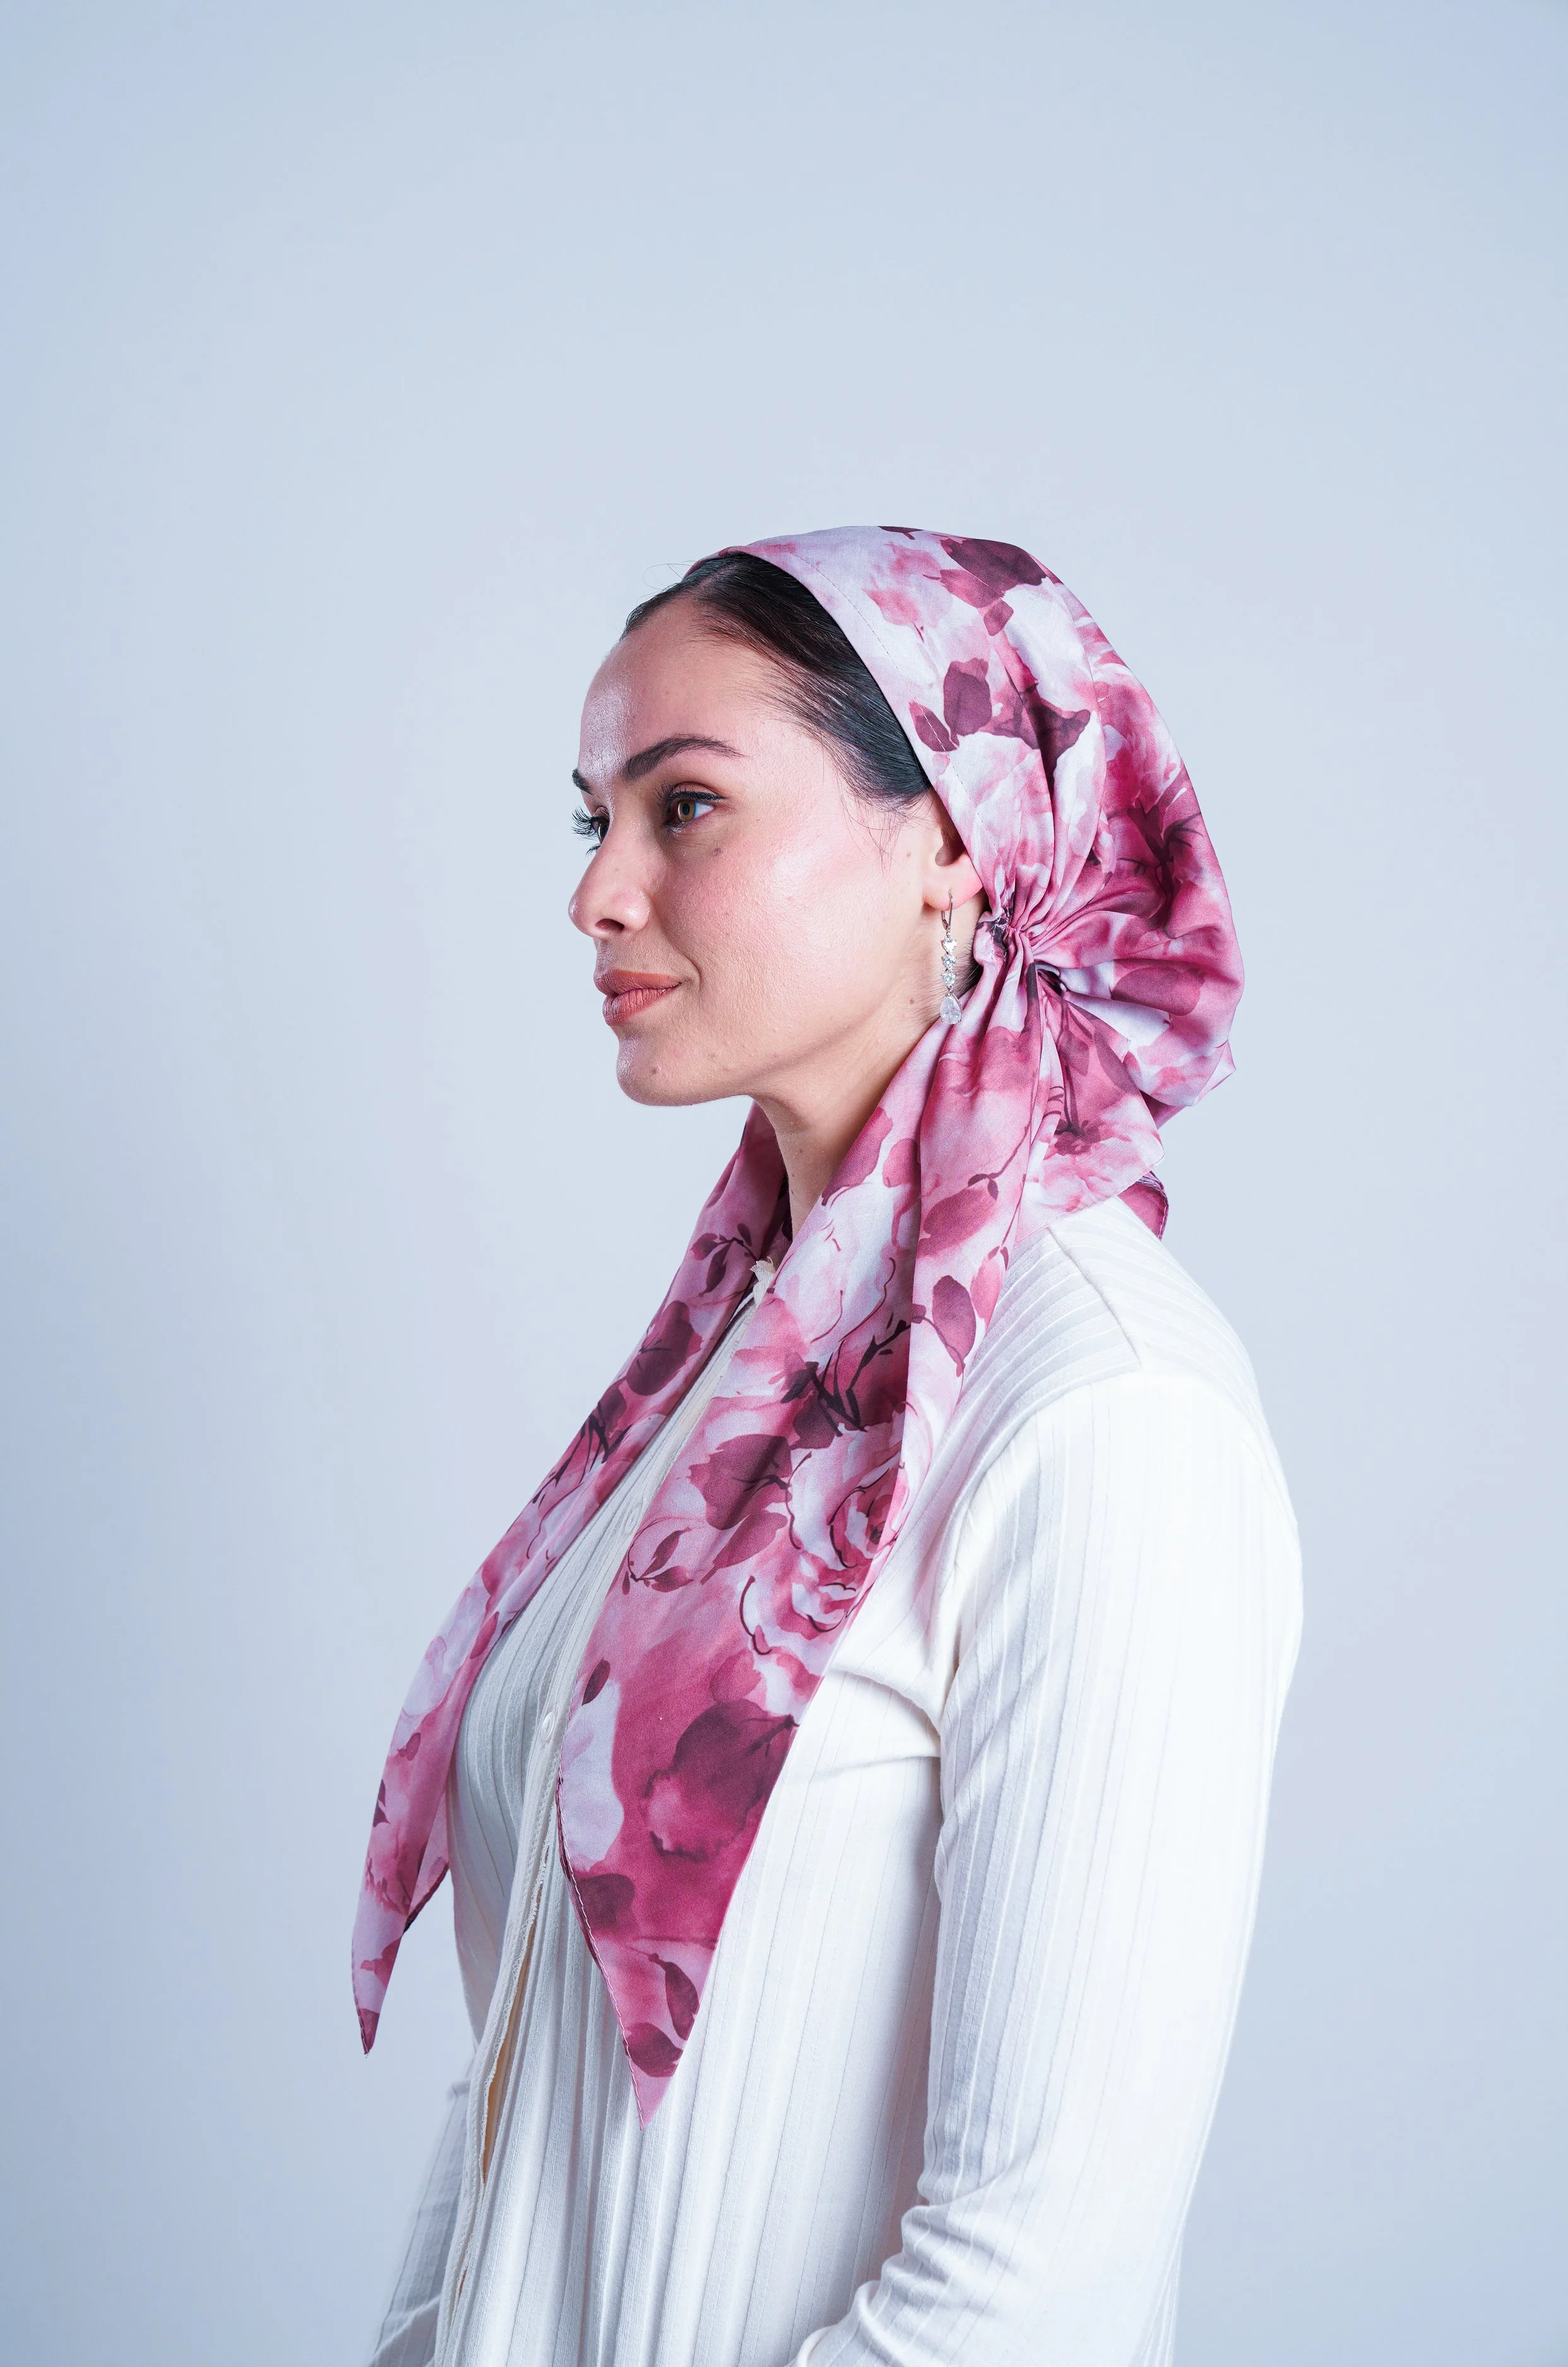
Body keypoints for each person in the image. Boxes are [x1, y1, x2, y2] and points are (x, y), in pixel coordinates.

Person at [356, 526, 1302, 2367]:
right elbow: (535, 2078)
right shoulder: (715, 1393)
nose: (599, 894)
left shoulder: (1101, 1411)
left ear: (951, 839)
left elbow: (1038, 2289)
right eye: (591, 821)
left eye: (683, 807)